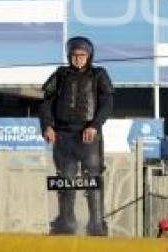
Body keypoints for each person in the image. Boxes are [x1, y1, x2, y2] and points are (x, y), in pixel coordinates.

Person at [40, 36, 114, 236]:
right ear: (69, 56)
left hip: (88, 134)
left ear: (89, 56)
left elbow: (107, 103)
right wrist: (48, 126)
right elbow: (46, 104)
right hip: (63, 134)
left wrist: (95, 126)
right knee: (65, 177)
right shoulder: (60, 74)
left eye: (82, 55)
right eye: (74, 55)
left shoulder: (99, 74)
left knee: (93, 177)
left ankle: (96, 223)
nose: (78, 58)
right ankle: (66, 220)